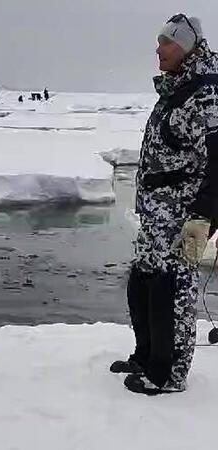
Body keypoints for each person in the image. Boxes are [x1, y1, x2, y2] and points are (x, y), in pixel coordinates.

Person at [110, 15, 218, 395]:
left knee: (172, 289)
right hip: (157, 211)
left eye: (166, 42)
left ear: (186, 46)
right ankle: (147, 356)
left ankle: (168, 374)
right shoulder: (177, 88)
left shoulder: (205, 93)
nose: (158, 49)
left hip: (182, 213)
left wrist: (204, 215)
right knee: (143, 280)